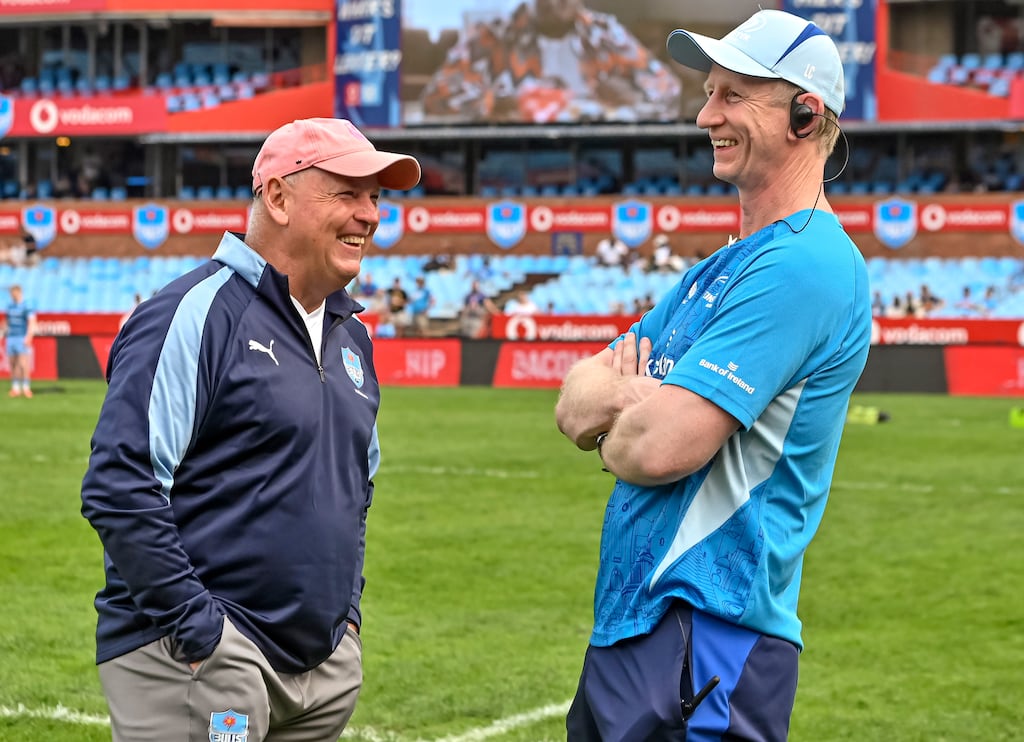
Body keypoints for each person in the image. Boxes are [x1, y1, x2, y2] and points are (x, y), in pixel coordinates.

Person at [555, 10, 871, 740]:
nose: (706, 116)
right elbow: (574, 402)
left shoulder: (805, 264)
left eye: (732, 95)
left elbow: (654, 449)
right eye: (708, 94)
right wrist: (631, 401)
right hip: (639, 626)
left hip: (711, 635)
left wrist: (621, 424)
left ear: (804, 114)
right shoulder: (719, 269)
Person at [79, 117, 421, 742]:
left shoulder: (353, 337)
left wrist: (345, 622)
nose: (370, 215)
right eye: (347, 192)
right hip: (198, 660)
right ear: (278, 197)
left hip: (319, 670)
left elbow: (356, 490)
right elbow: (120, 486)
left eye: (376, 197)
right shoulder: (193, 314)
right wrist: (202, 633)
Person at [420, 0, 682, 124]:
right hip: (513, 149)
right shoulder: (496, 33)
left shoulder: (605, 33)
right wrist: (492, 104)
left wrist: (633, 98)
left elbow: (667, 88)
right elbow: (436, 96)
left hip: (598, 146)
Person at [2, 284, 38, 398]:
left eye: (14, 293)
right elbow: (6, 322)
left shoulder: (26, 306)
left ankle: (26, 387)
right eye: (11, 293)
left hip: (21, 337)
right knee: (13, 363)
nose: (12, 295)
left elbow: (32, 322)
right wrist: (2, 333)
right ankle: (15, 388)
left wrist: (29, 337)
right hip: (11, 337)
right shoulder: (10, 306)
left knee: (23, 363)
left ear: (19, 292)